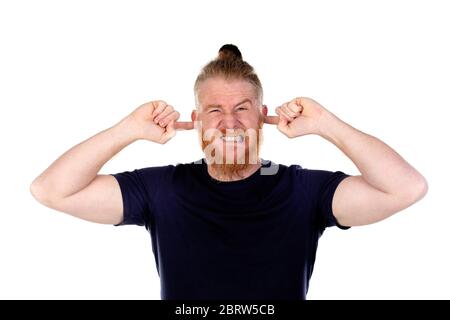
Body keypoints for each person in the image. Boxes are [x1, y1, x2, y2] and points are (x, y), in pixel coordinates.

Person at [30, 44, 428, 300]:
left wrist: (326, 123)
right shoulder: (162, 188)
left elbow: (406, 188)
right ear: (196, 120)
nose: (230, 123)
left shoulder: (302, 190)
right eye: (215, 110)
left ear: (263, 116)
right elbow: (51, 190)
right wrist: (128, 131)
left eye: (242, 108)